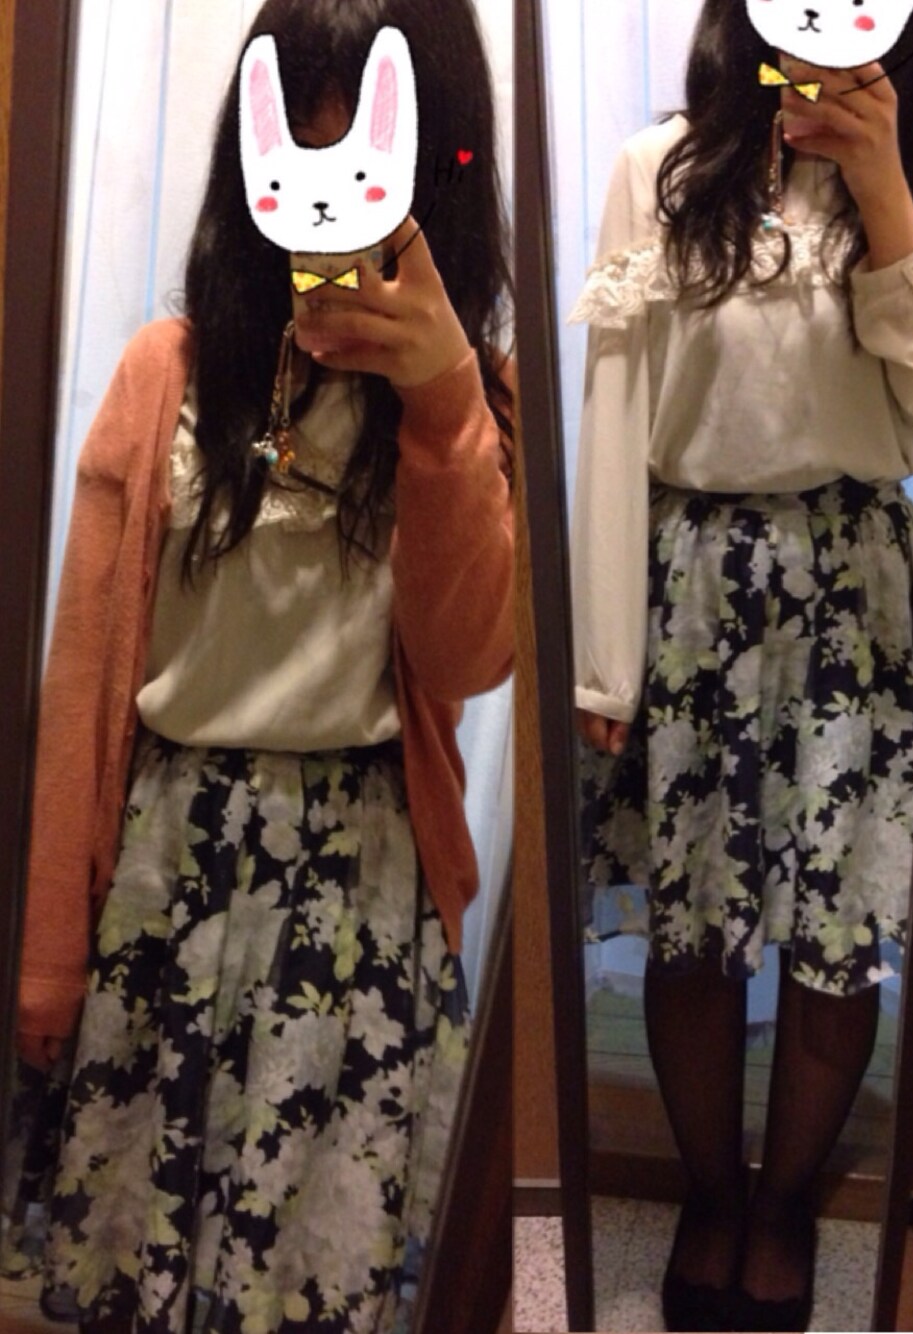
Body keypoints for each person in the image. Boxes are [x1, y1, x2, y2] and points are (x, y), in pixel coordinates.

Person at [8, 0, 513, 1330]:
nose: (328, 218)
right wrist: (48, 955)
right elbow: (81, 685)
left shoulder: (475, 399)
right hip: (165, 866)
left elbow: (469, 655)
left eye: (368, 172)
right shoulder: (164, 375)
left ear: (435, 173)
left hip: (360, 891)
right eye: (299, 161)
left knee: (308, 1287)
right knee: (139, 1270)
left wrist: (445, 398)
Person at [570, 1, 913, 1329]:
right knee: (693, 932)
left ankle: (787, 1203)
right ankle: (709, 1191)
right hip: (691, 584)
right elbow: (613, 415)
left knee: (833, 941)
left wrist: (884, 185)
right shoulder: (662, 168)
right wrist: (603, 661)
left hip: (857, 594)